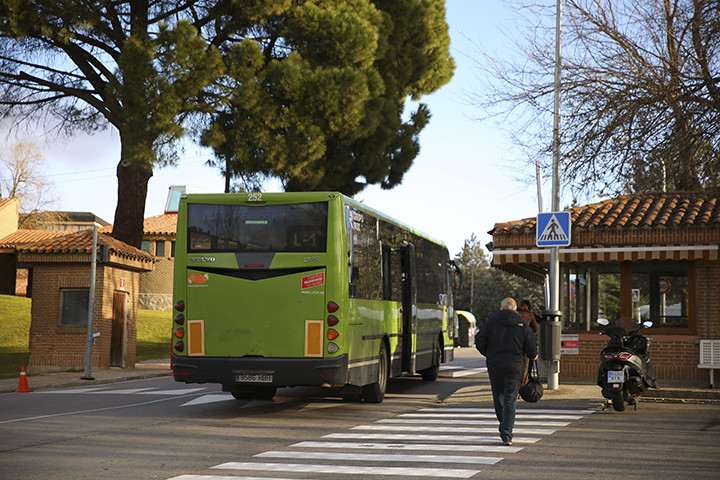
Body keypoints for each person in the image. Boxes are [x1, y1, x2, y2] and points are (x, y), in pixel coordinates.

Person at [475, 297, 538, 446]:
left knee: (499, 397)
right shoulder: (522, 325)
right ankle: (507, 434)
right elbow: (531, 348)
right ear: (515, 309)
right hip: (515, 367)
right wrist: (531, 356)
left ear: (502, 308)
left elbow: (479, 341)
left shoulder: (491, 322)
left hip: (495, 365)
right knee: (510, 399)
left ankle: (503, 425)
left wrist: (489, 354)